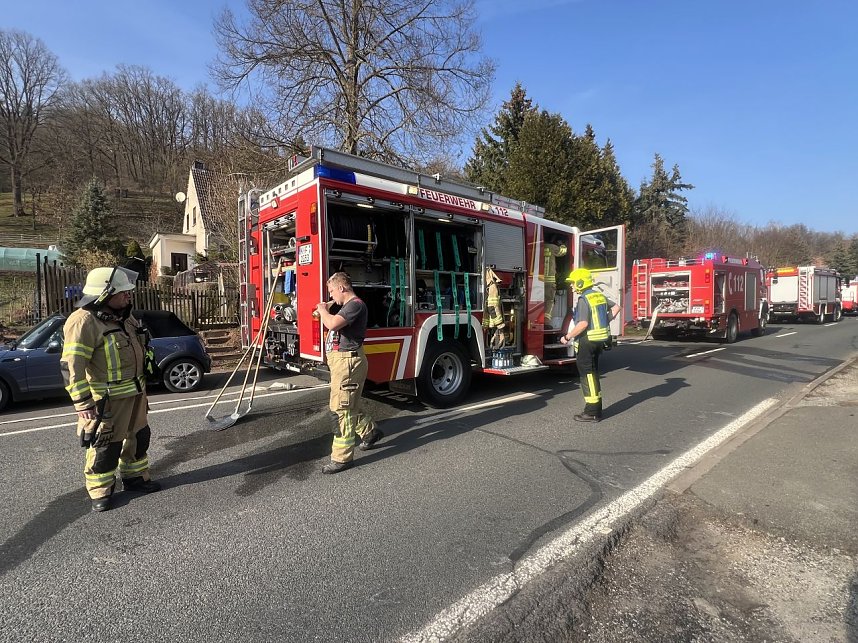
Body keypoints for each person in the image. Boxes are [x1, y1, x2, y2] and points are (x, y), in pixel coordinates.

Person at [61, 266, 161, 512]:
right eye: (123, 292)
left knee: (138, 438)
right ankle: (100, 491)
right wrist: (83, 403)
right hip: (105, 400)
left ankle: (135, 478)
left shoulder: (124, 316)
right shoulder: (82, 321)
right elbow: (71, 365)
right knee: (105, 445)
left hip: (136, 393)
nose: (129, 296)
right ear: (104, 294)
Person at [315, 272, 384, 474]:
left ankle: (342, 458)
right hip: (342, 363)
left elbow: (332, 324)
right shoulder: (346, 307)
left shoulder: (355, 305)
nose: (331, 296)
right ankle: (370, 432)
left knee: (342, 410)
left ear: (342, 288)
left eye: (332, 291)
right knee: (347, 403)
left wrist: (322, 309)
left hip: (348, 362)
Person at [560, 268, 620, 422]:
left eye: (573, 283)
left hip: (587, 342)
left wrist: (567, 337)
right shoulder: (598, 295)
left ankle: (592, 412)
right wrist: (604, 320)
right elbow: (617, 307)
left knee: (588, 376)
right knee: (592, 374)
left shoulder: (584, 299)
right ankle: (596, 408)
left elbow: (583, 324)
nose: (572, 286)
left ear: (581, 282)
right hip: (598, 341)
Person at [543, 238, 567, 329]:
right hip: (549, 281)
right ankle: (545, 323)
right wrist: (562, 244)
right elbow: (563, 251)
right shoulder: (552, 247)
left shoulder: (537, 247)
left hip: (537, 281)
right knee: (549, 301)